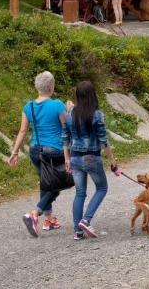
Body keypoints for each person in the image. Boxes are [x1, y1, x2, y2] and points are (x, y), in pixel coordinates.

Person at [8, 70, 67, 237]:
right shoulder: (57, 105)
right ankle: (35, 213)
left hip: (35, 151)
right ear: (51, 87)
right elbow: (67, 127)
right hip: (54, 151)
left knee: (46, 182)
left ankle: (49, 220)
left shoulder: (29, 106)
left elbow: (22, 131)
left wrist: (15, 152)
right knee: (58, 183)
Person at [63, 81, 118, 241]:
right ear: (93, 95)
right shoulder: (97, 114)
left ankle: (77, 231)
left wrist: (66, 158)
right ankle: (86, 220)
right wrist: (112, 161)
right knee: (101, 188)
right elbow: (103, 141)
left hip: (74, 158)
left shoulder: (69, 114)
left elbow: (65, 137)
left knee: (80, 192)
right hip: (91, 157)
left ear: (78, 96)